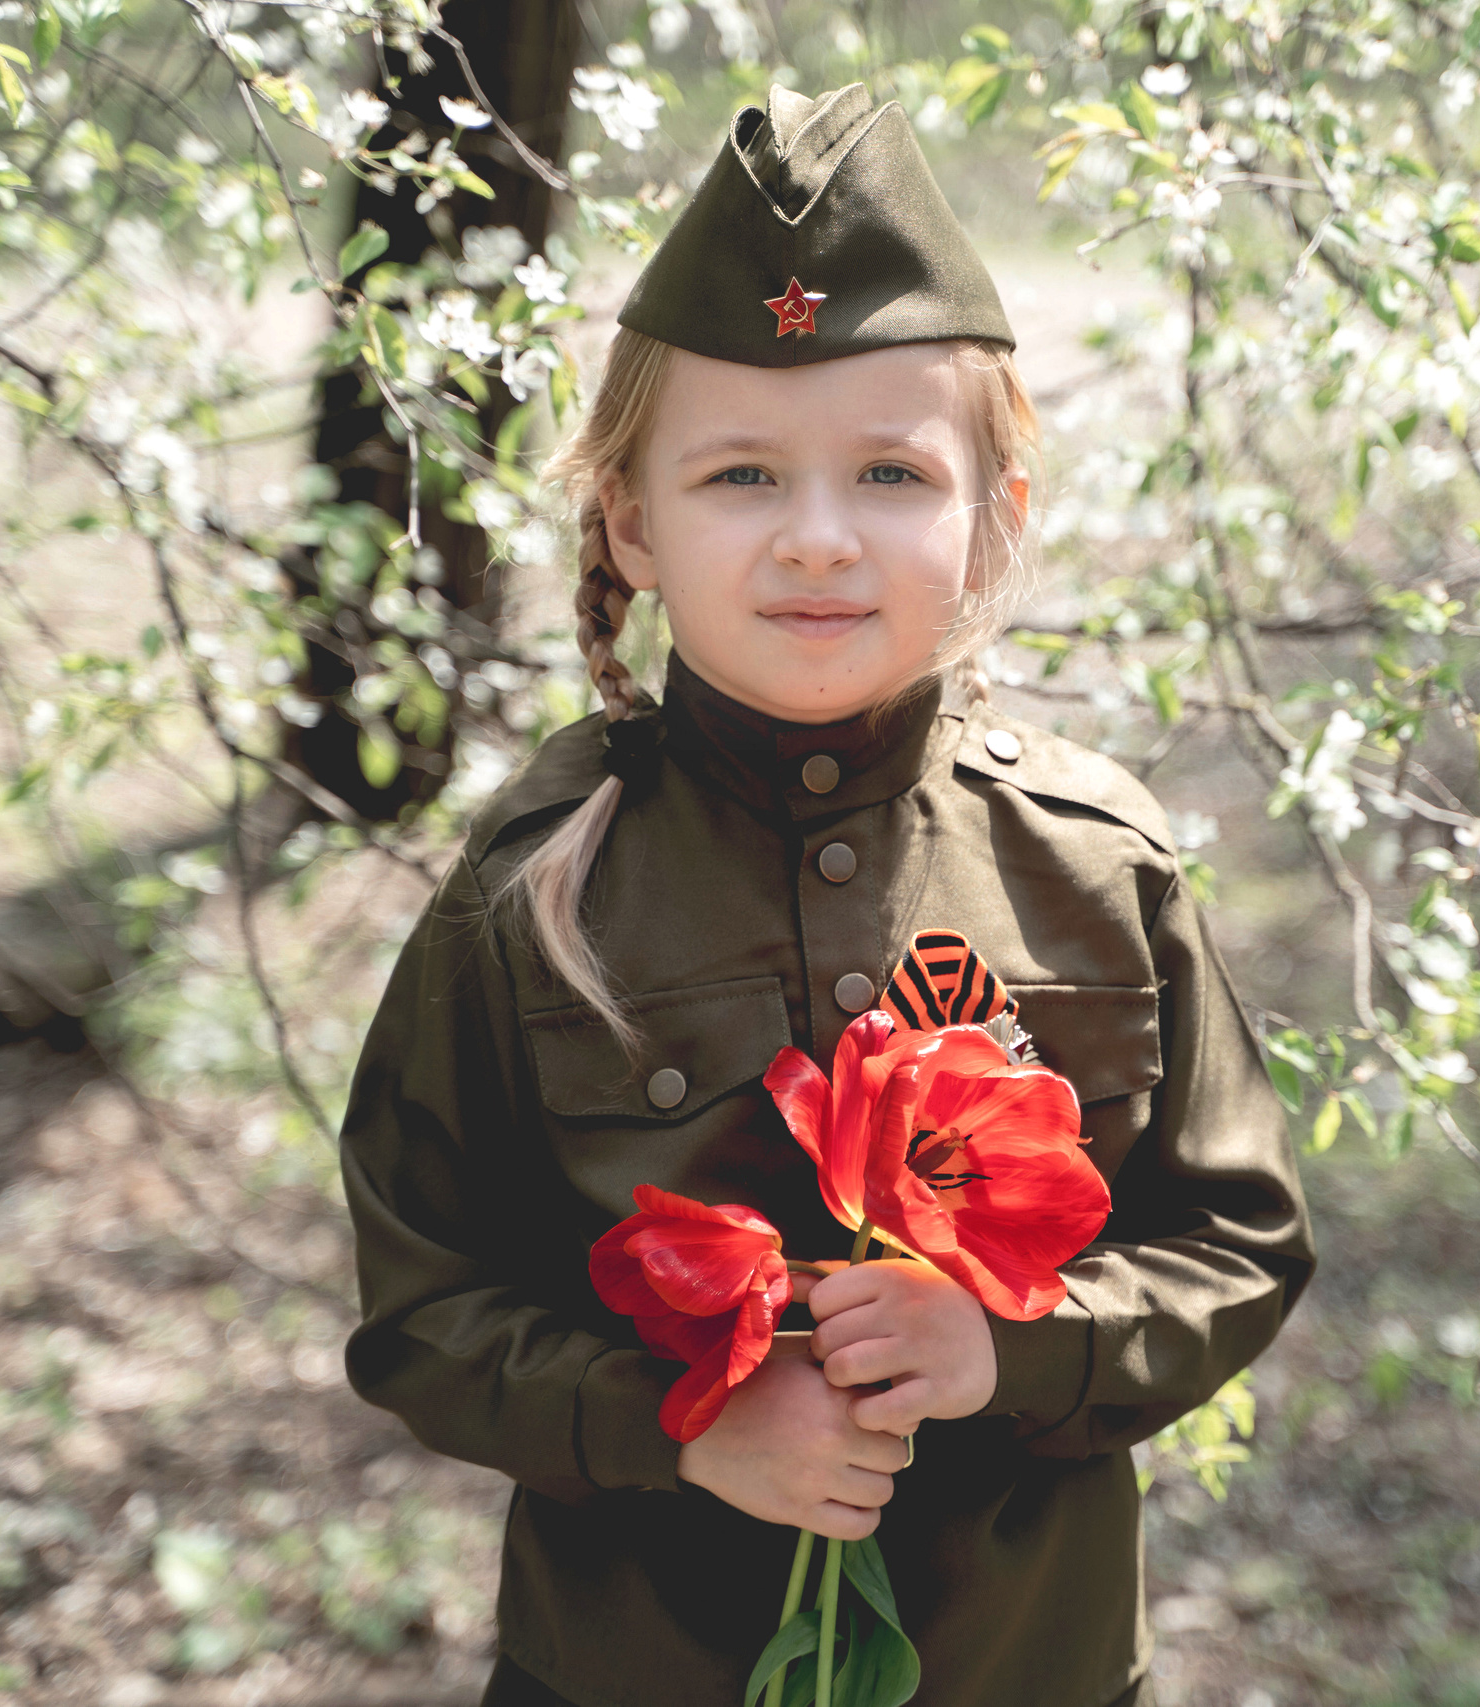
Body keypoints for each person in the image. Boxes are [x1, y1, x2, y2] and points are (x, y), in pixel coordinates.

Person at [337, 80, 1315, 1707]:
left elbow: (1237, 1241)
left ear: (991, 515)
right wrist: (684, 1419)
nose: (815, 542)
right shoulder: (535, 892)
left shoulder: (1091, 870)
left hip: (1026, 1665)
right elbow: (424, 1306)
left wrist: (1013, 1349)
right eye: (739, 479)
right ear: (632, 519)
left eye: (887, 475)